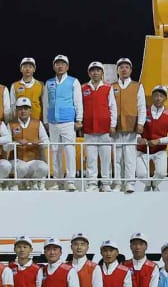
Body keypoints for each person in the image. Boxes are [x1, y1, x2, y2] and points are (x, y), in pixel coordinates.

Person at [42, 55, 83, 187]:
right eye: (57, 64)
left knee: (69, 150)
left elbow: (78, 101)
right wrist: (46, 121)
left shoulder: (73, 81)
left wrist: (79, 119)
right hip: (53, 122)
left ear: (67, 66)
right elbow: (46, 103)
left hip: (68, 122)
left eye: (62, 64)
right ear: (54, 66)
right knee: (55, 150)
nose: (60, 66)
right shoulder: (49, 83)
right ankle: (58, 180)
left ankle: (70, 180)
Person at [79, 61, 117, 192]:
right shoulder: (83, 88)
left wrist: (112, 125)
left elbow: (113, 107)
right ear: (89, 73)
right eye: (93, 70)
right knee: (91, 159)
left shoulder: (108, 88)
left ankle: (106, 183)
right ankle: (92, 183)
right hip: (89, 129)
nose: (95, 73)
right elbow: (80, 107)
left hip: (105, 129)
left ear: (102, 73)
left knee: (106, 158)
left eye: (98, 70)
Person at [111, 58, 146, 193]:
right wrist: (112, 125)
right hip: (116, 127)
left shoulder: (137, 86)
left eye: (126, 67)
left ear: (130, 70)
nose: (124, 69)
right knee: (118, 156)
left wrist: (141, 123)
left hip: (132, 127)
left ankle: (130, 183)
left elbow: (141, 107)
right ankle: (118, 183)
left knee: (130, 156)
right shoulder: (112, 87)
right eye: (121, 67)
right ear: (117, 70)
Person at [136, 85, 168, 191]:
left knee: (161, 173)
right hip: (142, 150)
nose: (158, 98)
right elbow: (134, 130)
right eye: (155, 95)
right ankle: (149, 184)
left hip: (159, 150)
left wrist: (159, 141)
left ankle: (153, 184)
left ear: (165, 98)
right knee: (141, 174)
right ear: (152, 97)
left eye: (161, 96)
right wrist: (138, 138)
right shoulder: (143, 112)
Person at [10, 98, 50, 189]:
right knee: (22, 167)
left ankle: (33, 182)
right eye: (20, 109)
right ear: (16, 110)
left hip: (33, 159)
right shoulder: (11, 124)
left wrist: (40, 143)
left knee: (44, 168)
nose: (23, 111)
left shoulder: (38, 123)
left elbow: (47, 142)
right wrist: (16, 142)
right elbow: (5, 146)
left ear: (30, 110)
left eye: (26, 109)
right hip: (16, 160)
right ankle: (18, 183)